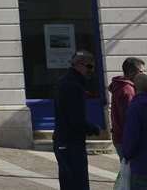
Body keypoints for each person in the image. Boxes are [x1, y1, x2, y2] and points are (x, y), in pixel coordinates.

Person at [53, 50, 101, 190]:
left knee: (69, 181)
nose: (91, 71)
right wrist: (93, 128)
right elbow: (76, 119)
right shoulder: (73, 86)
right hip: (70, 142)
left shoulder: (65, 82)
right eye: (90, 67)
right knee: (76, 182)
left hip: (65, 140)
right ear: (79, 65)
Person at [109, 57, 145, 149]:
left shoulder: (121, 86)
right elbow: (129, 118)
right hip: (127, 139)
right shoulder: (127, 91)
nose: (143, 74)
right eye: (141, 72)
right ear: (131, 72)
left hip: (121, 138)